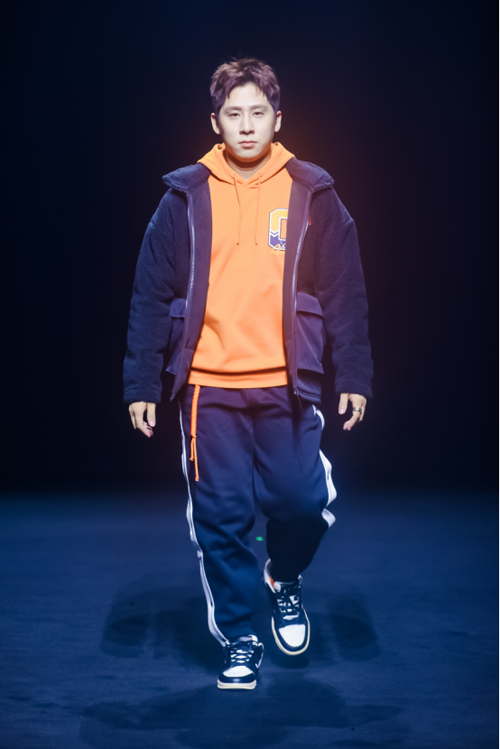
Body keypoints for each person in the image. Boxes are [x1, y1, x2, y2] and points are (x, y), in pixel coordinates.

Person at [123, 58, 373, 690]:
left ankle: (283, 578)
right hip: (208, 388)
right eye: (233, 114)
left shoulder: (312, 192)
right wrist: (141, 382)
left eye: (257, 112)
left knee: (301, 502)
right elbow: (150, 293)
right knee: (221, 518)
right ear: (216, 122)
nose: (246, 125)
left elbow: (345, 290)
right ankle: (241, 637)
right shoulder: (184, 196)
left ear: (277, 119)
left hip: (288, 384)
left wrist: (355, 373)